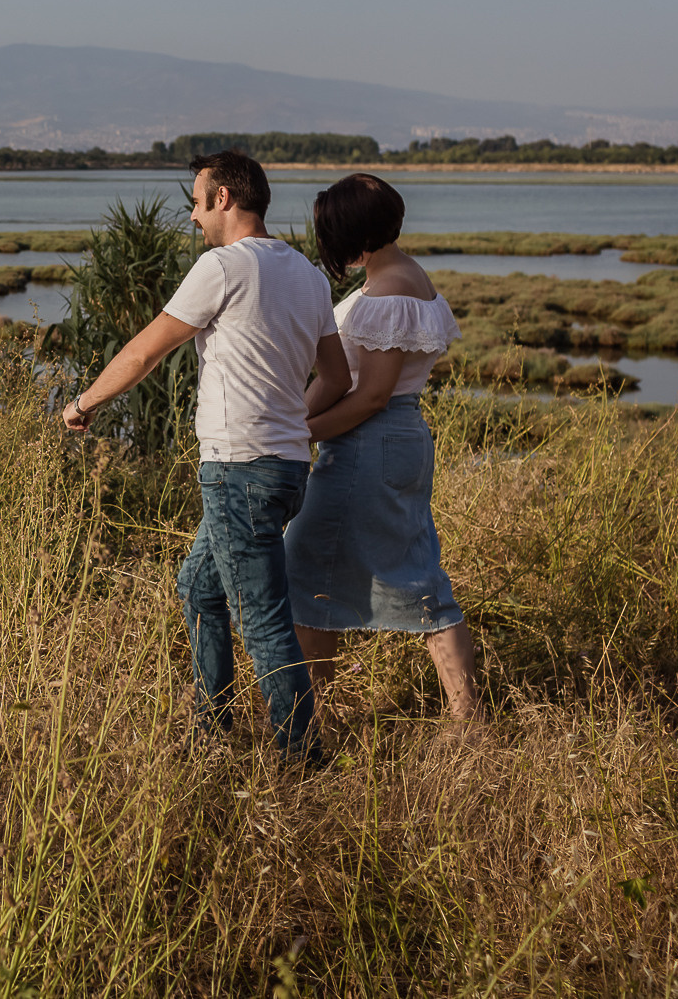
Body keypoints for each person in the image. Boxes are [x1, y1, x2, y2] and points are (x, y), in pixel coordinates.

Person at [63, 150, 348, 759]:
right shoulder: (308, 275)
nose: (193, 216)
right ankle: (211, 730)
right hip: (287, 468)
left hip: (238, 469)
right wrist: (288, 422)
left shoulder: (222, 266)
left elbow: (144, 352)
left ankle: (302, 756)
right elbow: (337, 377)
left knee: (262, 618)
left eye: (196, 202)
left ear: (224, 198)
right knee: (198, 587)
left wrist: (83, 403)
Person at [283, 172, 482, 727]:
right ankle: (466, 718)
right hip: (397, 440)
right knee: (409, 572)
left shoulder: (389, 291)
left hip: (369, 447)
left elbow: (370, 396)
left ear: (352, 230)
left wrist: (298, 434)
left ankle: (314, 715)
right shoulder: (408, 275)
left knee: (305, 567)